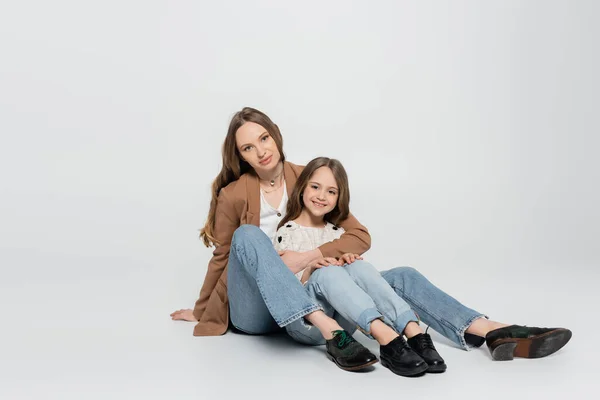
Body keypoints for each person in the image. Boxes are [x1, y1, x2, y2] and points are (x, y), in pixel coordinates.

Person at [171, 107, 572, 365]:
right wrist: (205, 309)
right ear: (239, 156)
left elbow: (358, 235)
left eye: (263, 139)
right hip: (259, 311)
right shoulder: (233, 193)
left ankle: (490, 330)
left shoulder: (309, 179)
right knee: (246, 235)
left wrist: (312, 257)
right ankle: (330, 334)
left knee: (400, 277)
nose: (260, 151)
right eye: (247, 148)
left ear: (275, 135)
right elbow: (224, 256)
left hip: (312, 289)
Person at [274, 156, 446, 376]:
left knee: (358, 266)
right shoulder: (287, 233)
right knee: (325, 271)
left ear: (339, 197)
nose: (321, 196)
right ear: (302, 188)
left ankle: (413, 331)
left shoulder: (338, 233)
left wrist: (347, 262)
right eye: (315, 187)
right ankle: (388, 338)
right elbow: (282, 290)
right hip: (309, 324)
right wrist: (310, 269)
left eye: (331, 192)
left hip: (348, 323)